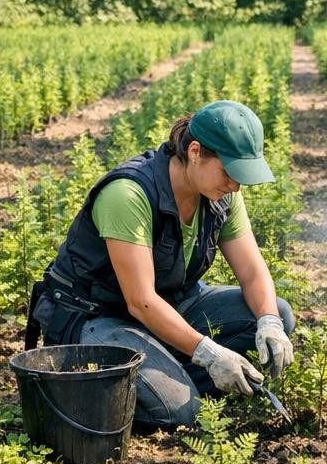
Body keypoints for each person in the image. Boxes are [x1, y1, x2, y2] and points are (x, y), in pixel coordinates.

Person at [29, 100, 295, 430]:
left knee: (277, 314)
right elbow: (141, 301)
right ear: (195, 152)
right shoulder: (129, 195)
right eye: (229, 173)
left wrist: (268, 322)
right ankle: (125, 387)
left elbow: (253, 271)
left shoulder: (220, 195)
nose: (235, 186)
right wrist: (210, 354)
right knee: (180, 413)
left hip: (167, 307)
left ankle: (167, 374)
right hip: (100, 318)